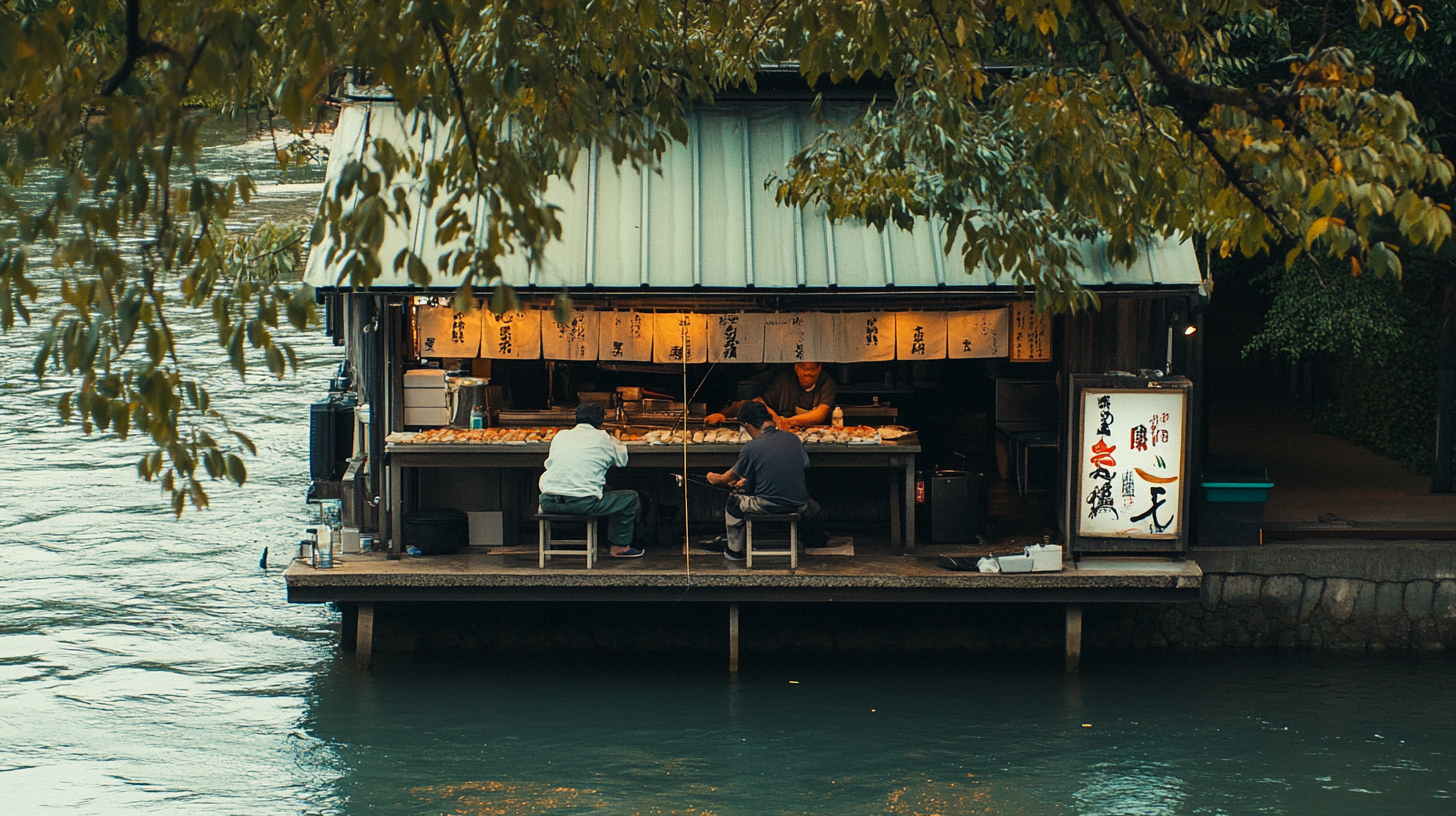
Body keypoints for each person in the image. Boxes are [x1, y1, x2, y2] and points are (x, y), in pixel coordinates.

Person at [706, 401, 818, 561]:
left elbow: (726, 479)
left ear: (748, 425)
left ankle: (734, 551)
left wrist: (712, 477)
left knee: (734, 502)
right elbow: (802, 465)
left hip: (769, 505)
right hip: (800, 504)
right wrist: (747, 481)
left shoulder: (752, 447)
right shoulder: (794, 439)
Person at [537, 403, 644, 558]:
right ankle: (619, 546)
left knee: (605, 489)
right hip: (581, 504)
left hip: (547, 501)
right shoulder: (604, 438)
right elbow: (622, 461)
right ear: (601, 422)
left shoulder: (560, 435)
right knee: (630, 498)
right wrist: (616, 441)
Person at [704, 361, 837, 430]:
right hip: (780, 436)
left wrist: (787, 421)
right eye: (803, 368)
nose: (807, 373)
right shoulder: (783, 380)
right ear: (796, 366)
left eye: (812, 370)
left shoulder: (827, 383)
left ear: (820, 368)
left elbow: (820, 414)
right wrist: (724, 414)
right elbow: (759, 402)